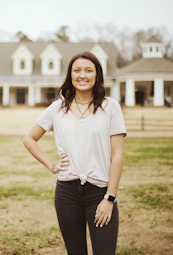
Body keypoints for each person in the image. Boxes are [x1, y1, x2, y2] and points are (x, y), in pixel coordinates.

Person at [23, 51, 126, 255]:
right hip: (66, 193)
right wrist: (52, 164)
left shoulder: (110, 107)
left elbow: (118, 156)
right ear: (70, 75)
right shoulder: (57, 109)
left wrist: (109, 198)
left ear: (97, 75)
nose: (82, 75)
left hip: (99, 192)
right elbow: (29, 139)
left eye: (89, 70)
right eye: (77, 70)